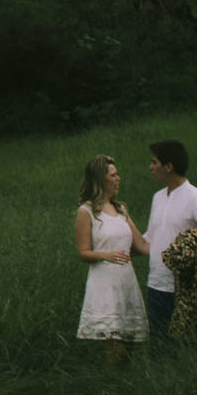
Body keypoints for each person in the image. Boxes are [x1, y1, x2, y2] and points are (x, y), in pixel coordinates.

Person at [142, 139, 197, 343]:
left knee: (185, 349)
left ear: (169, 167)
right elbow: (150, 240)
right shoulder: (158, 197)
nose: (151, 167)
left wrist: (188, 253)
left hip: (185, 290)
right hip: (155, 285)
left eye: (154, 162)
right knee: (158, 347)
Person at [74, 154, 149, 364]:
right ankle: (111, 383)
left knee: (129, 344)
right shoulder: (87, 211)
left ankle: (125, 386)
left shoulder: (121, 210)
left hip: (126, 280)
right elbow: (83, 252)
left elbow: (141, 245)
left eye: (117, 175)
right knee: (114, 347)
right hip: (105, 283)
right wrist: (106, 255)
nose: (118, 179)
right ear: (100, 180)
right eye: (113, 175)